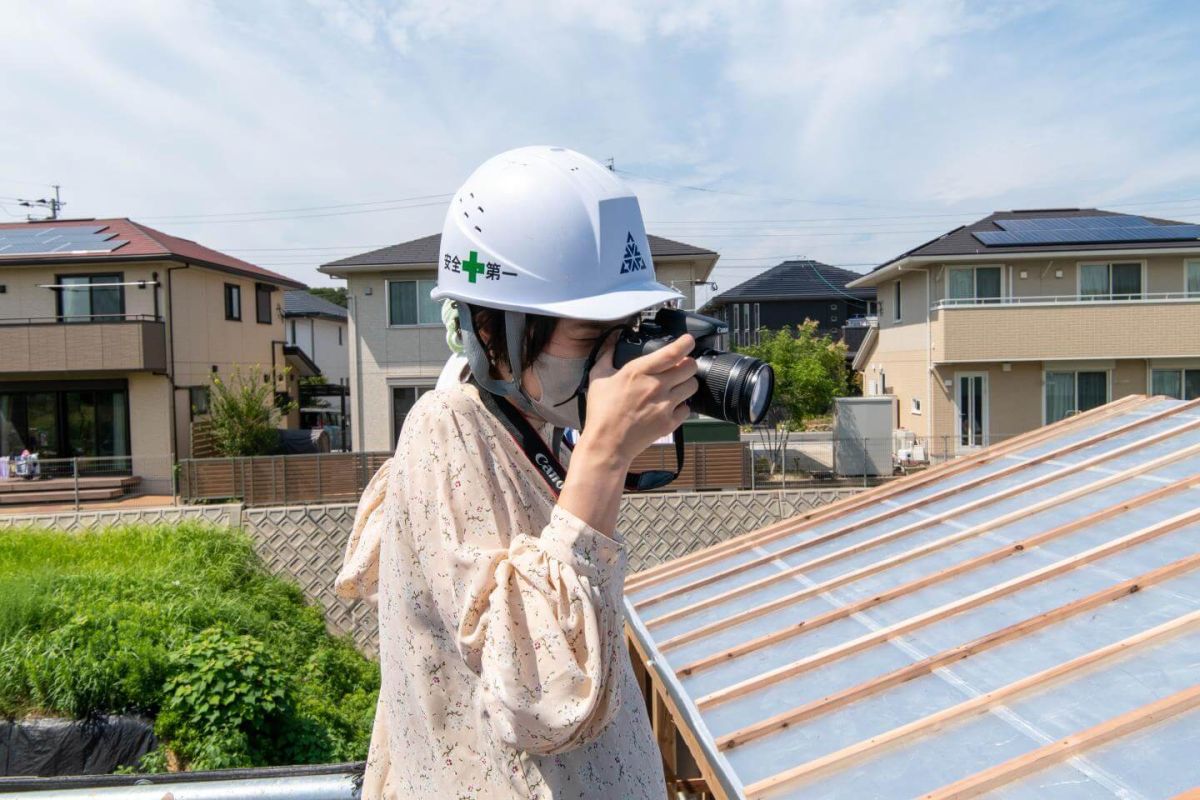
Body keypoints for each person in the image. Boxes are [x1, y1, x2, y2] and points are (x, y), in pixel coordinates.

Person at [336, 146, 698, 799]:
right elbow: (539, 698)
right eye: (592, 334)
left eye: (625, 330)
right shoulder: (445, 428)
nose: (612, 360)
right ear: (493, 329)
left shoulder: (540, 428)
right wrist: (605, 453)